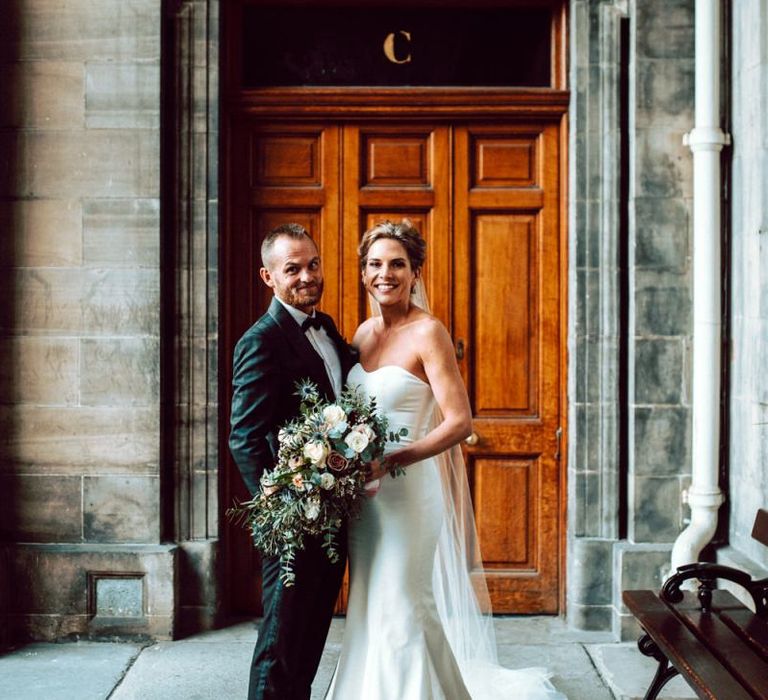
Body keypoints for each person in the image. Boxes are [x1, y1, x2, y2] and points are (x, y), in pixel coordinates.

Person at [326, 220, 566, 699]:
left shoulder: (428, 332)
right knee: (371, 606)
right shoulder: (363, 333)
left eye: (397, 264)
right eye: (375, 264)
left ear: (415, 272)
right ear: (362, 272)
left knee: (401, 607)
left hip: (408, 495)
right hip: (365, 500)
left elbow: (460, 422)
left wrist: (394, 458)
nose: (385, 273)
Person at [229, 223, 357, 700]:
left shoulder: (326, 329)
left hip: (331, 515)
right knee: (280, 646)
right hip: (293, 520)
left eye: (313, 264)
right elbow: (244, 437)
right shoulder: (261, 340)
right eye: (292, 269)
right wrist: (287, 505)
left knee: (308, 640)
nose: (307, 275)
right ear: (268, 277)